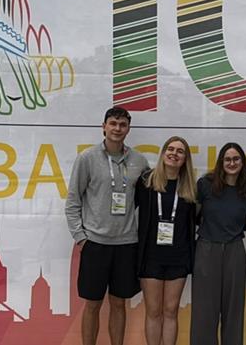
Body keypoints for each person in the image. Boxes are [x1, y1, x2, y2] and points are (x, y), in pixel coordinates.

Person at [65, 106, 149, 345]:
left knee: (119, 303)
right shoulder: (87, 158)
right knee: (92, 304)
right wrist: (81, 238)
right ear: (104, 127)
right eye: (113, 123)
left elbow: (145, 201)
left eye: (122, 125)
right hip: (95, 244)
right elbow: (73, 201)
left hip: (126, 244)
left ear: (128, 129)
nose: (117, 128)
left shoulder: (140, 161)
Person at [190, 142, 246, 345]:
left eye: (236, 159)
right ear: (221, 162)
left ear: (242, 162)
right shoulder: (205, 184)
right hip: (207, 249)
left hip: (235, 251)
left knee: (233, 310)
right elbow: (193, 216)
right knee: (204, 311)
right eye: (227, 159)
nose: (232, 163)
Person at [136, 136, 198, 345]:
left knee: (171, 311)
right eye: (170, 149)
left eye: (180, 151)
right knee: (153, 311)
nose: (174, 154)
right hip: (151, 257)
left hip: (178, 258)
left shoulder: (190, 187)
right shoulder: (146, 183)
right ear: (163, 154)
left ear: (185, 159)